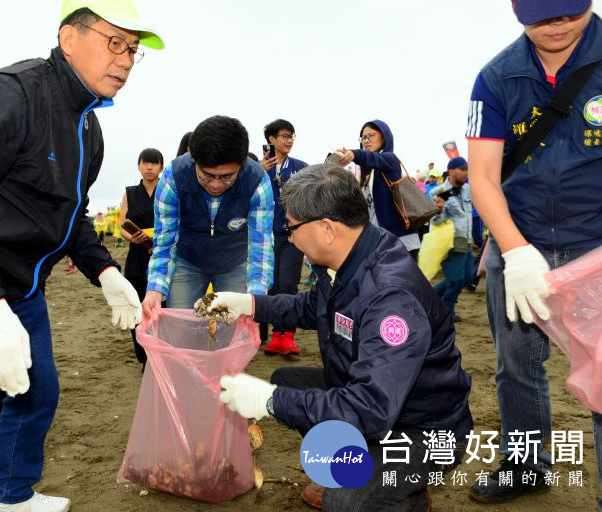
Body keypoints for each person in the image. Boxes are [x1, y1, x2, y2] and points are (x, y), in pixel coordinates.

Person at [0, 1, 161, 510]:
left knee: (37, 393)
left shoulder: (89, 130)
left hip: (19, 283)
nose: (127, 60)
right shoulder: (10, 94)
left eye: (133, 49)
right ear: (69, 38)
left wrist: (106, 270)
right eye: (115, 43)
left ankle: (8, 496)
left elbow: (70, 218)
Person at [203, 164, 472, 511]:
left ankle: (405, 497)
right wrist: (250, 304)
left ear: (327, 229)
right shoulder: (353, 255)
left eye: (292, 227)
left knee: (346, 501)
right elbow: (311, 306)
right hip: (382, 398)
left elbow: (371, 409)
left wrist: (271, 401)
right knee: (288, 381)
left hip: (423, 426)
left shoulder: (390, 298)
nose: (289, 237)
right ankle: (370, 471)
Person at [465, 0, 602, 506]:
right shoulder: (497, 77)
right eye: (543, 18)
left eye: (571, 13)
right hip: (519, 241)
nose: (559, 27)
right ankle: (526, 467)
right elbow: (482, 176)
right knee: (516, 365)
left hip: (596, 245)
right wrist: (516, 251)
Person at [141, 115, 274, 314]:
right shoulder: (173, 178)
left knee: (233, 326)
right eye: (207, 175)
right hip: (187, 260)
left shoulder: (257, 181)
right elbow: (164, 240)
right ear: (194, 159)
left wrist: (256, 297)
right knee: (181, 326)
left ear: (241, 164)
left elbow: (260, 243)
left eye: (227, 177)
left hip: (235, 262)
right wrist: (155, 290)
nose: (216, 185)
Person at [337, 120, 421, 260]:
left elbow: (372, 158)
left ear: (384, 137)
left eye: (371, 135)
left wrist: (354, 154)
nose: (366, 140)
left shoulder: (389, 160)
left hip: (401, 241)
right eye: (363, 137)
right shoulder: (367, 173)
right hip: (379, 243)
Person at [258, 119, 308, 355]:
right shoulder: (257, 170)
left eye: (292, 136)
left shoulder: (301, 167)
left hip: (292, 236)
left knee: (288, 284)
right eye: (284, 136)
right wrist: (259, 172)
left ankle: (287, 335)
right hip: (266, 237)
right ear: (271, 139)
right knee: (272, 285)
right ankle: (275, 336)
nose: (289, 140)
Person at [120, 147, 163, 369]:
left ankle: (160, 355)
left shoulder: (167, 190)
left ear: (161, 167)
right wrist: (132, 238)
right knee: (137, 306)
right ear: (139, 165)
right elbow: (121, 226)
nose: (149, 167)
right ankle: (144, 356)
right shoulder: (129, 192)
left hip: (162, 253)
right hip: (137, 254)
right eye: (145, 162)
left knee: (162, 307)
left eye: (154, 163)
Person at [429, 157, 475, 323]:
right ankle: (446, 310)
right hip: (450, 242)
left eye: (466, 169)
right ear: (451, 171)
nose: (465, 173)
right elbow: (433, 222)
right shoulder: (439, 192)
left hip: (466, 241)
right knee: (456, 280)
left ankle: (431, 296)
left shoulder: (467, 189)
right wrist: (439, 211)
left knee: (469, 277)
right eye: (462, 169)